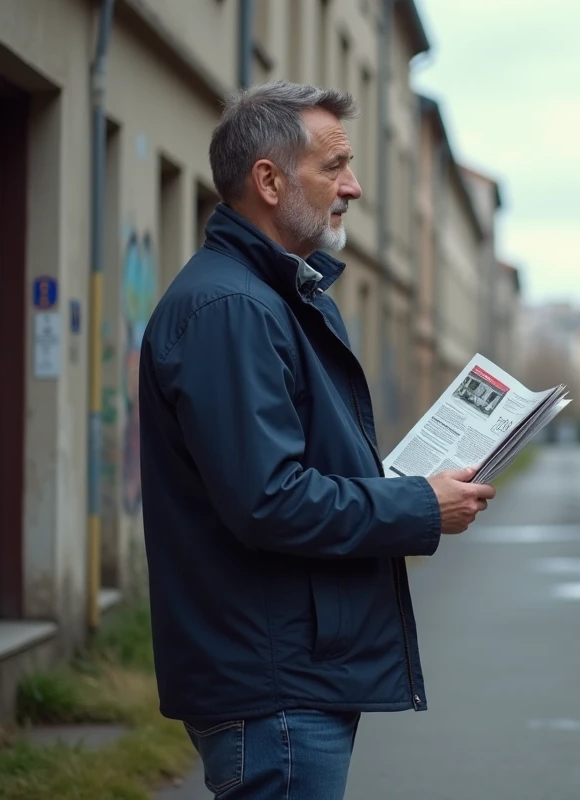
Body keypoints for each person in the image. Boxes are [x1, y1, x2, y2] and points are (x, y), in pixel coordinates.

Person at [137, 80, 496, 799]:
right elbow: (268, 500)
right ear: (268, 180)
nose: (354, 187)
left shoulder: (272, 298)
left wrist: (407, 492)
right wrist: (420, 508)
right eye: (334, 167)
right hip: (273, 684)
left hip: (288, 671)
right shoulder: (232, 310)